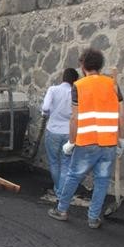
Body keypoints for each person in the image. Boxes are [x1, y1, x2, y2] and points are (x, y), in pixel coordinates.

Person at [48, 48, 124, 229]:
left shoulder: (79, 86)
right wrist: (122, 139)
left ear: (83, 66)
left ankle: (61, 210)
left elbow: (75, 118)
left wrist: (71, 142)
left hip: (86, 142)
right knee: (102, 181)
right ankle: (93, 218)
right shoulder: (112, 84)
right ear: (100, 66)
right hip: (108, 143)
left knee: (74, 176)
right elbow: (122, 115)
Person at [41, 68, 80, 198]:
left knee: (53, 162)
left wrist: (46, 114)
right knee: (66, 163)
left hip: (53, 130)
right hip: (69, 132)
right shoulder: (75, 93)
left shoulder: (53, 90)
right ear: (75, 81)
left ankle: (58, 189)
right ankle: (62, 193)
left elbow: (45, 108)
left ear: (63, 77)